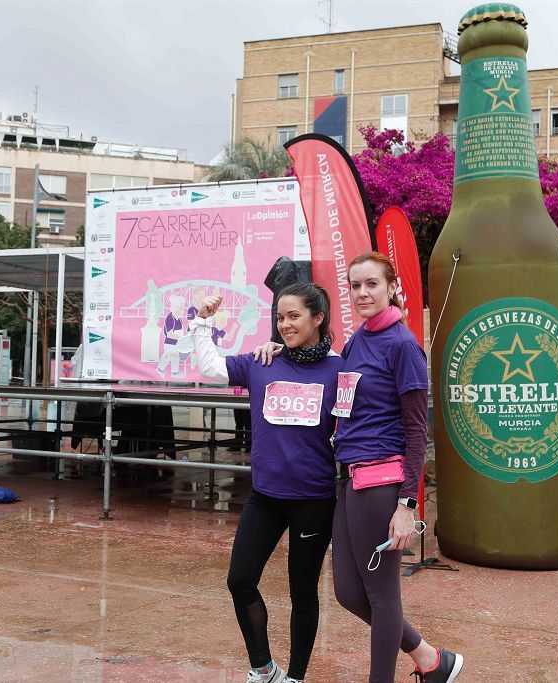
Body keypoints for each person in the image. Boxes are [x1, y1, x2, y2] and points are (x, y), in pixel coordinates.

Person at [256, 253, 463, 683]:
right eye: (354, 286)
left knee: (383, 596)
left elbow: (416, 429)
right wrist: (282, 351)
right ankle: (430, 659)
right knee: (349, 593)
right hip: (350, 480)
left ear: (391, 287)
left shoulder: (403, 345)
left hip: (383, 481)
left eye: (371, 284)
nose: (362, 293)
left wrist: (408, 503)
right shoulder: (357, 341)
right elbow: (329, 377)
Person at [192, 283, 342, 683]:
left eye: (294, 316)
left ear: (317, 318)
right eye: (279, 317)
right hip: (266, 497)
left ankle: (295, 677)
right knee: (240, 580)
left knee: (303, 592)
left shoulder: (339, 369)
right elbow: (211, 369)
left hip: (314, 500)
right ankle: (264, 667)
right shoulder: (263, 361)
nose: (285, 324)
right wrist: (202, 322)